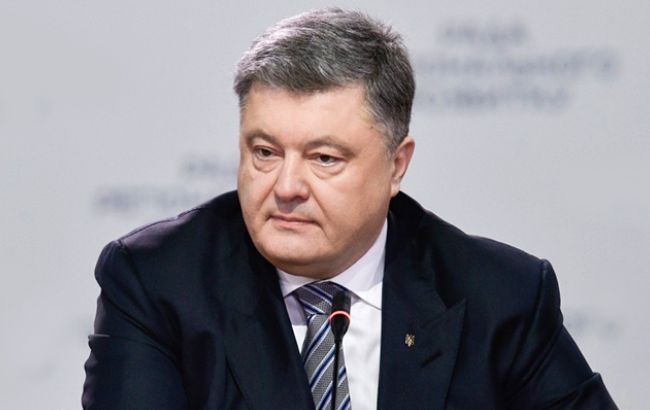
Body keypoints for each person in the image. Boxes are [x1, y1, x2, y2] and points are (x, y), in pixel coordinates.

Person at [82, 7, 617, 410]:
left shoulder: (500, 296)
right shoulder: (157, 281)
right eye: (265, 152)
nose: (286, 187)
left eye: (324, 158)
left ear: (396, 165)